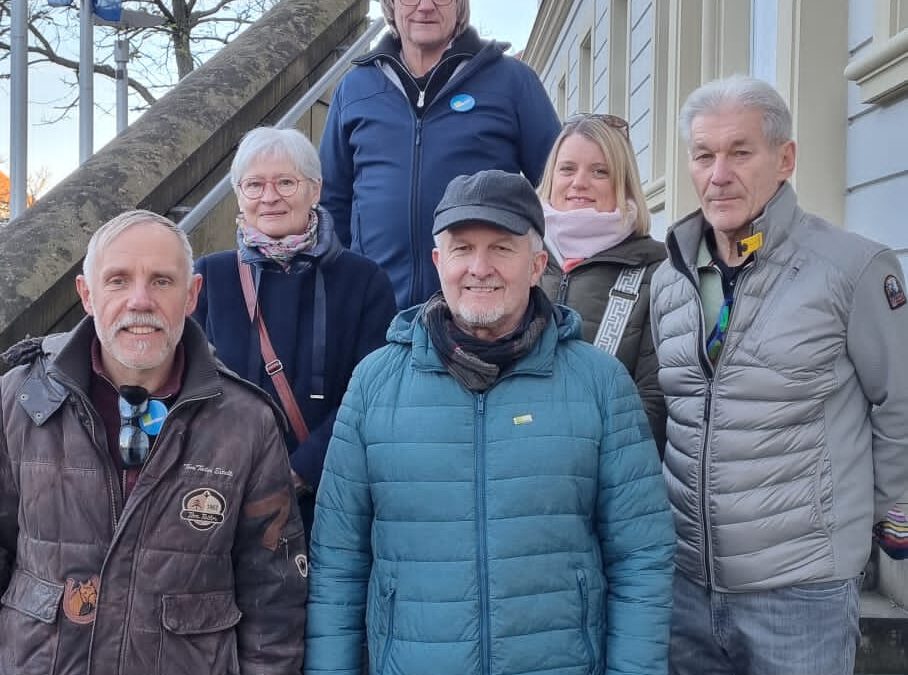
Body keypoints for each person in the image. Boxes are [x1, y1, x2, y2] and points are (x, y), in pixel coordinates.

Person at [304, 169, 675, 675]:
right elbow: (337, 563)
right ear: (439, 263)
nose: (480, 268)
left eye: (501, 247)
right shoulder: (374, 384)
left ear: (537, 264)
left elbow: (642, 557)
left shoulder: (600, 384)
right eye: (462, 249)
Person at [649, 75, 908, 675]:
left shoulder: (853, 268)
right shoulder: (671, 281)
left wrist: (856, 525)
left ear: (784, 158)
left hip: (801, 595)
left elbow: (899, 407)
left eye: (740, 152)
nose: (719, 174)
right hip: (687, 585)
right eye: (704, 155)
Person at [0, 210, 308, 675]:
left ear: (192, 295)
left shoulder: (246, 423)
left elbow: (274, 601)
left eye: (162, 281)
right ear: (87, 294)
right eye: (118, 280)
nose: (139, 301)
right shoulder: (21, 398)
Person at [193, 126, 397, 540]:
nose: (269, 197)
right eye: (254, 185)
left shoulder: (363, 281)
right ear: (238, 194)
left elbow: (374, 395)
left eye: (286, 182)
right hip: (229, 497)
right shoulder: (209, 278)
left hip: (331, 497)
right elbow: (188, 389)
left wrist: (301, 470)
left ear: (315, 189)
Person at [319, 0, 561, 309]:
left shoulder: (512, 81)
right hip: (376, 310)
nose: (425, 7)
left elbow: (555, 189)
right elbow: (332, 201)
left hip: (480, 308)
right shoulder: (355, 89)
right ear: (391, 5)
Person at [538, 113, 667, 454]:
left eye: (600, 171)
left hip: (606, 472)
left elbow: (652, 401)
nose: (580, 182)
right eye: (567, 169)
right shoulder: (518, 260)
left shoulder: (656, 273)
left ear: (623, 183)